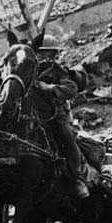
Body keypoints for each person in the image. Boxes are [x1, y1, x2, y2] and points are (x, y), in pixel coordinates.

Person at [34, 60, 90, 198]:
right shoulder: (26, 65)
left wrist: (48, 88)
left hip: (53, 113)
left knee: (67, 137)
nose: (42, 55)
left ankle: (77, 177)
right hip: (29, 111)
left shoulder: (58, 70)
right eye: (40, 51)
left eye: (47, 52)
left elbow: (71, 89)